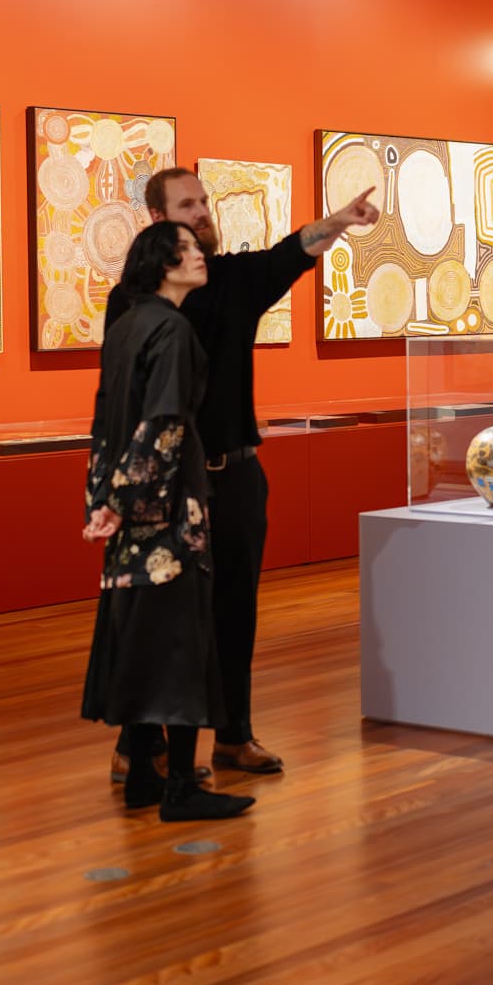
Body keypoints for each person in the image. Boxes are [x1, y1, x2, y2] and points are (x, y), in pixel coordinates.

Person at [103, 169, 378, 781]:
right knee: (162, 616)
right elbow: (122, 399)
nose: (202, 213)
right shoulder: (134, 304)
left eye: (204, 202)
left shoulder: (231, 281)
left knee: (234, 610)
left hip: (236, 475)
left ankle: (233, 737)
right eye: (187, 204)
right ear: (159, 219)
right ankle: (139, 747)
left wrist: (339, 219)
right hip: (173, 484)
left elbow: (288, 253)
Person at [81, 222, 255, 822]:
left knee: (139, 639)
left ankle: (141, 781)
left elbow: (104, 422)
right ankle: (180, 783)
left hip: (129, 510)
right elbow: (164, 425)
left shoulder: (127, 325)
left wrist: (103, 501)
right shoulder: (173, 330)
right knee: (183, 642)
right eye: (190, 249)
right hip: (170, 509)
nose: (201, 256)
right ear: (163, 261)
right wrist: (134, 501)